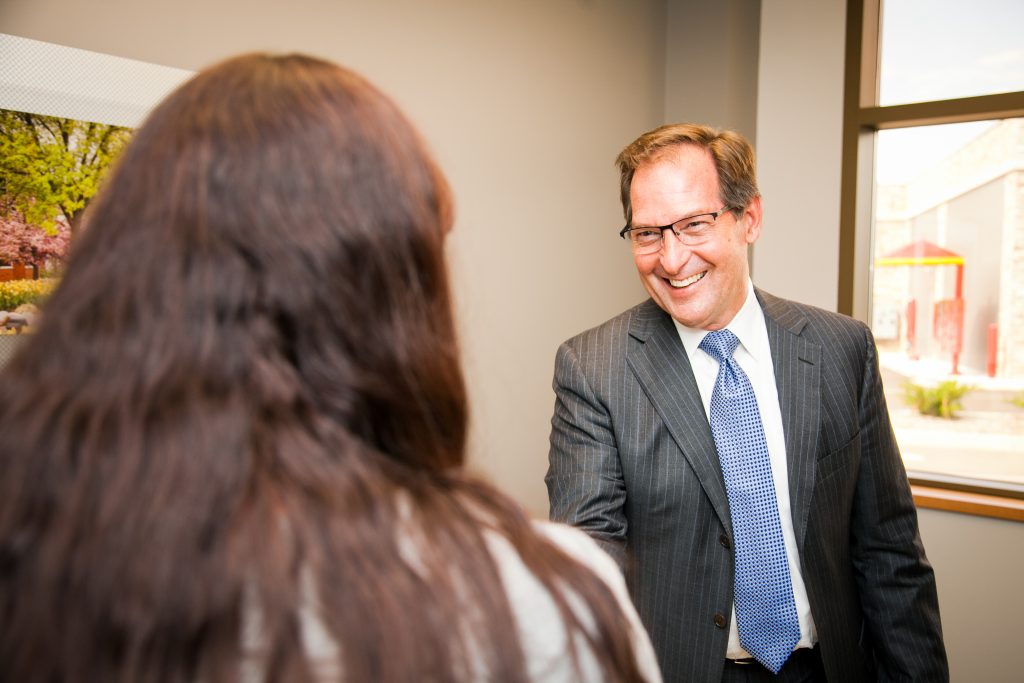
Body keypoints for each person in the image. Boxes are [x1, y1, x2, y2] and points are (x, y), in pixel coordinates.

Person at [0, 53, 662, 683]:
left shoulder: (38, 541)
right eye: (648, 230)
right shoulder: (541, 600)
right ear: (399, 299)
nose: (668, 253)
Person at [546, 123, 947, 682]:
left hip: (827, 669)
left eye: (693, 224)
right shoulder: (593, 369)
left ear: (749, 218)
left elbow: (889, 553)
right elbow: (589, 567)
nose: (671, 257)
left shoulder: (840, 349)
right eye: (647, 234)